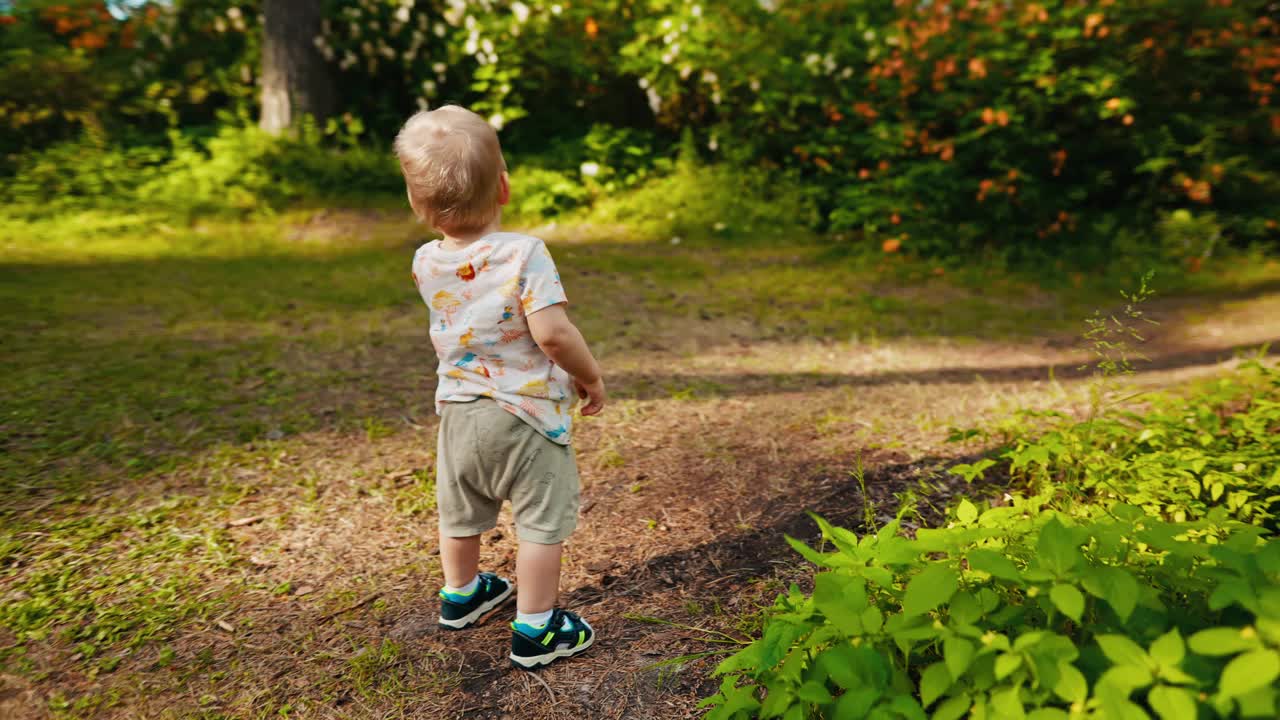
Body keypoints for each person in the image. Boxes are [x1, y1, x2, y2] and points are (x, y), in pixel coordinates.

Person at [394, 105, 606, 670]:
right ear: (505, 186)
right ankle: (537, 629)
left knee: (459, 513)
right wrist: (590, 376)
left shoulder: (424, 261)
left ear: (418, 205)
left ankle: (462, 594)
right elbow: (554, 334)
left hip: (459, 414)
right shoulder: (524, 253)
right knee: (539, 522)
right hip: (528, 417)